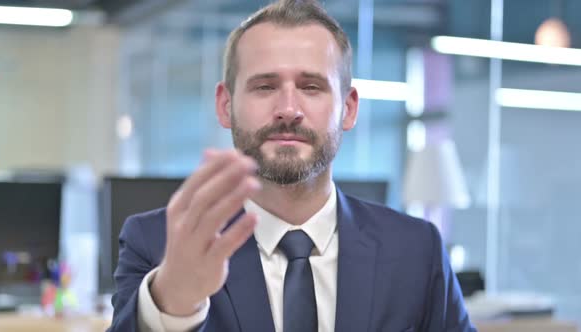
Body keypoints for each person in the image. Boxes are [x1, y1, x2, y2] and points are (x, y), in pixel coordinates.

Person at [108, 0, 476, 331]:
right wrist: (174, 303)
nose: (288, 108)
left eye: (312, 87)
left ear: (348, 109)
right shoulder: (157, 244)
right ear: (225, 105)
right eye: (265, 87)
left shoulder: (416, 249)